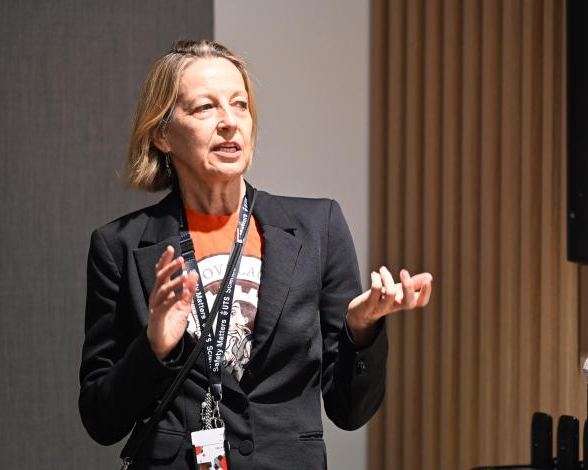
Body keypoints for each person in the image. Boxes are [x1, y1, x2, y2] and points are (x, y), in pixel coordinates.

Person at [79, 40, 433, 470]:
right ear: (162, 134)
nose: (230, 122)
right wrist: (153, 346)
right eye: (205, 108)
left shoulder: (317, 227)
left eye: (240, 105)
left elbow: (350, 411)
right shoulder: (119, 246)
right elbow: (100, 419)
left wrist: (361, 331)